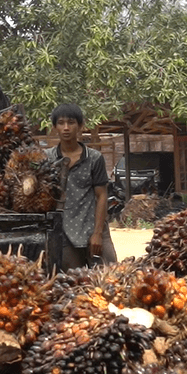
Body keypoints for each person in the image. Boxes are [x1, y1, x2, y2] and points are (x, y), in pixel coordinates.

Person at [47, 103, 117, 270]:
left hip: (93, 226)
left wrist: (98, 233)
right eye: (61, 123)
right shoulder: (47, 159)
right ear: (54, 127)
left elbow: (101, 196)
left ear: (80, 126)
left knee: (111, 275)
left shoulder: (94, 158)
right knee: (72, 282)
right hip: (64, 231)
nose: (66, 128)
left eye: (71, 123)